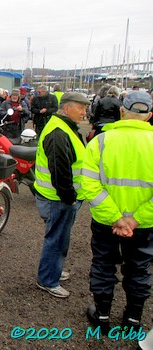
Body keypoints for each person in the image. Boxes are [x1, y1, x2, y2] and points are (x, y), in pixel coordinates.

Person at [82, 91, 153, 334]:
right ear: (150, 116)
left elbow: (89, 185)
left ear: (122, 111)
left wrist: (116, 217)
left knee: (103, 264)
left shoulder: (100, 142)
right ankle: (133, 320)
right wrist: (134, 220)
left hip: (106, 221)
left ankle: (102, 317)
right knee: (139, 268)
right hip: (143, 225)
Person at [34, 92, 90, 298]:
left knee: (58, 237)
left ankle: (52, 271)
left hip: (59, 197)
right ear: (66, 108)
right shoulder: (59, 132)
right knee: (57, 239)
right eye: (80, 108)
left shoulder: (64, 127)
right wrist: (70, 198)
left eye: (85, 108)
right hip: (58, 198)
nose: (84, 112)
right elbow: (60, 171)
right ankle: (48, 279)